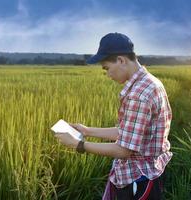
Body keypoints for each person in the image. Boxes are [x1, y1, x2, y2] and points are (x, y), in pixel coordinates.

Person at [54, 32, 173, 200]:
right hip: (150, 173)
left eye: (107, 68)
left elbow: (123, 150)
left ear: (121, 60)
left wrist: (78, 144)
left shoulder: (138, 95)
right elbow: (129, 132)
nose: (108, 75)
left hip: (138, 181)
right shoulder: (150, 82)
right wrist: (87, 130)